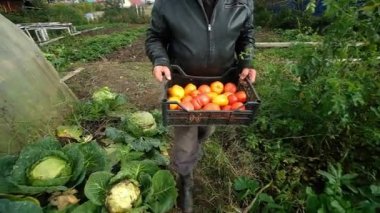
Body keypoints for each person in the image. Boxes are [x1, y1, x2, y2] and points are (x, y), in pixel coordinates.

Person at [145, 0, 256, 212]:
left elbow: (246, 35)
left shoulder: (242, 1)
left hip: (221, 86)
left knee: (205, 130)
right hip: (183, 83)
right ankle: (185, 179)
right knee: (186, 139)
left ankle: (196, 146)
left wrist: (247, 60)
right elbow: (155, 36)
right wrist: (160, 59)